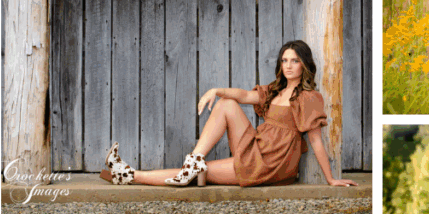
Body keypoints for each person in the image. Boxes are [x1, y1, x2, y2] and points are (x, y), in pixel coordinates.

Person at [102, 40, 357, 187]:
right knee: (226, 103)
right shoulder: (275, 89)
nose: (288, 66)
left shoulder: (309, 98)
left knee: (200, 172)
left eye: (295, 61)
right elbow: (245, 96)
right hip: (256, 147)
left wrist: (331, 179)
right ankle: (189, 161)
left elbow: (315, 142)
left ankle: (129, 175)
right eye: (284, 60)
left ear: (305, 63)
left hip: (271, 163)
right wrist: (215, 89)